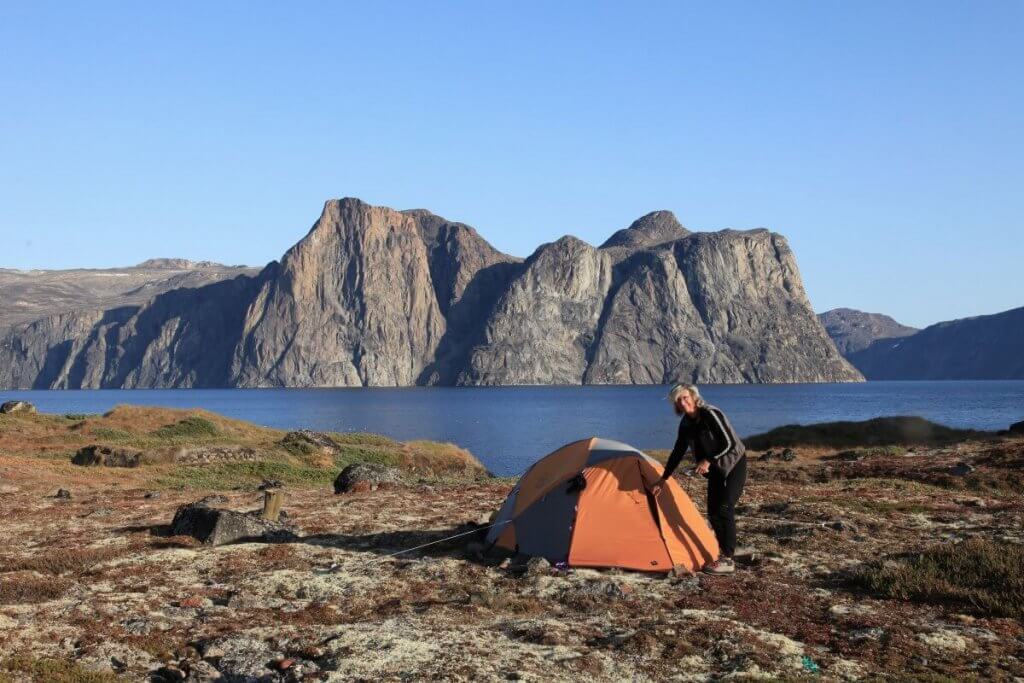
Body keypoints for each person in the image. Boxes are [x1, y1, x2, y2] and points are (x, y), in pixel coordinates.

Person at [648, 383, 747, 575]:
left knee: (724, 507)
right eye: (678, 400)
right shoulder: (686, 424)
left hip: (733, 464)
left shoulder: (710, 413)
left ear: (693, 396)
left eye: (685, 397)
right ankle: (724, 551)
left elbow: (729, 443)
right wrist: (663, 479)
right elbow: (677, 452)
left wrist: (707, 460)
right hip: (716, 470)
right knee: (713, 512)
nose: (683, 402)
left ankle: (728, 558)